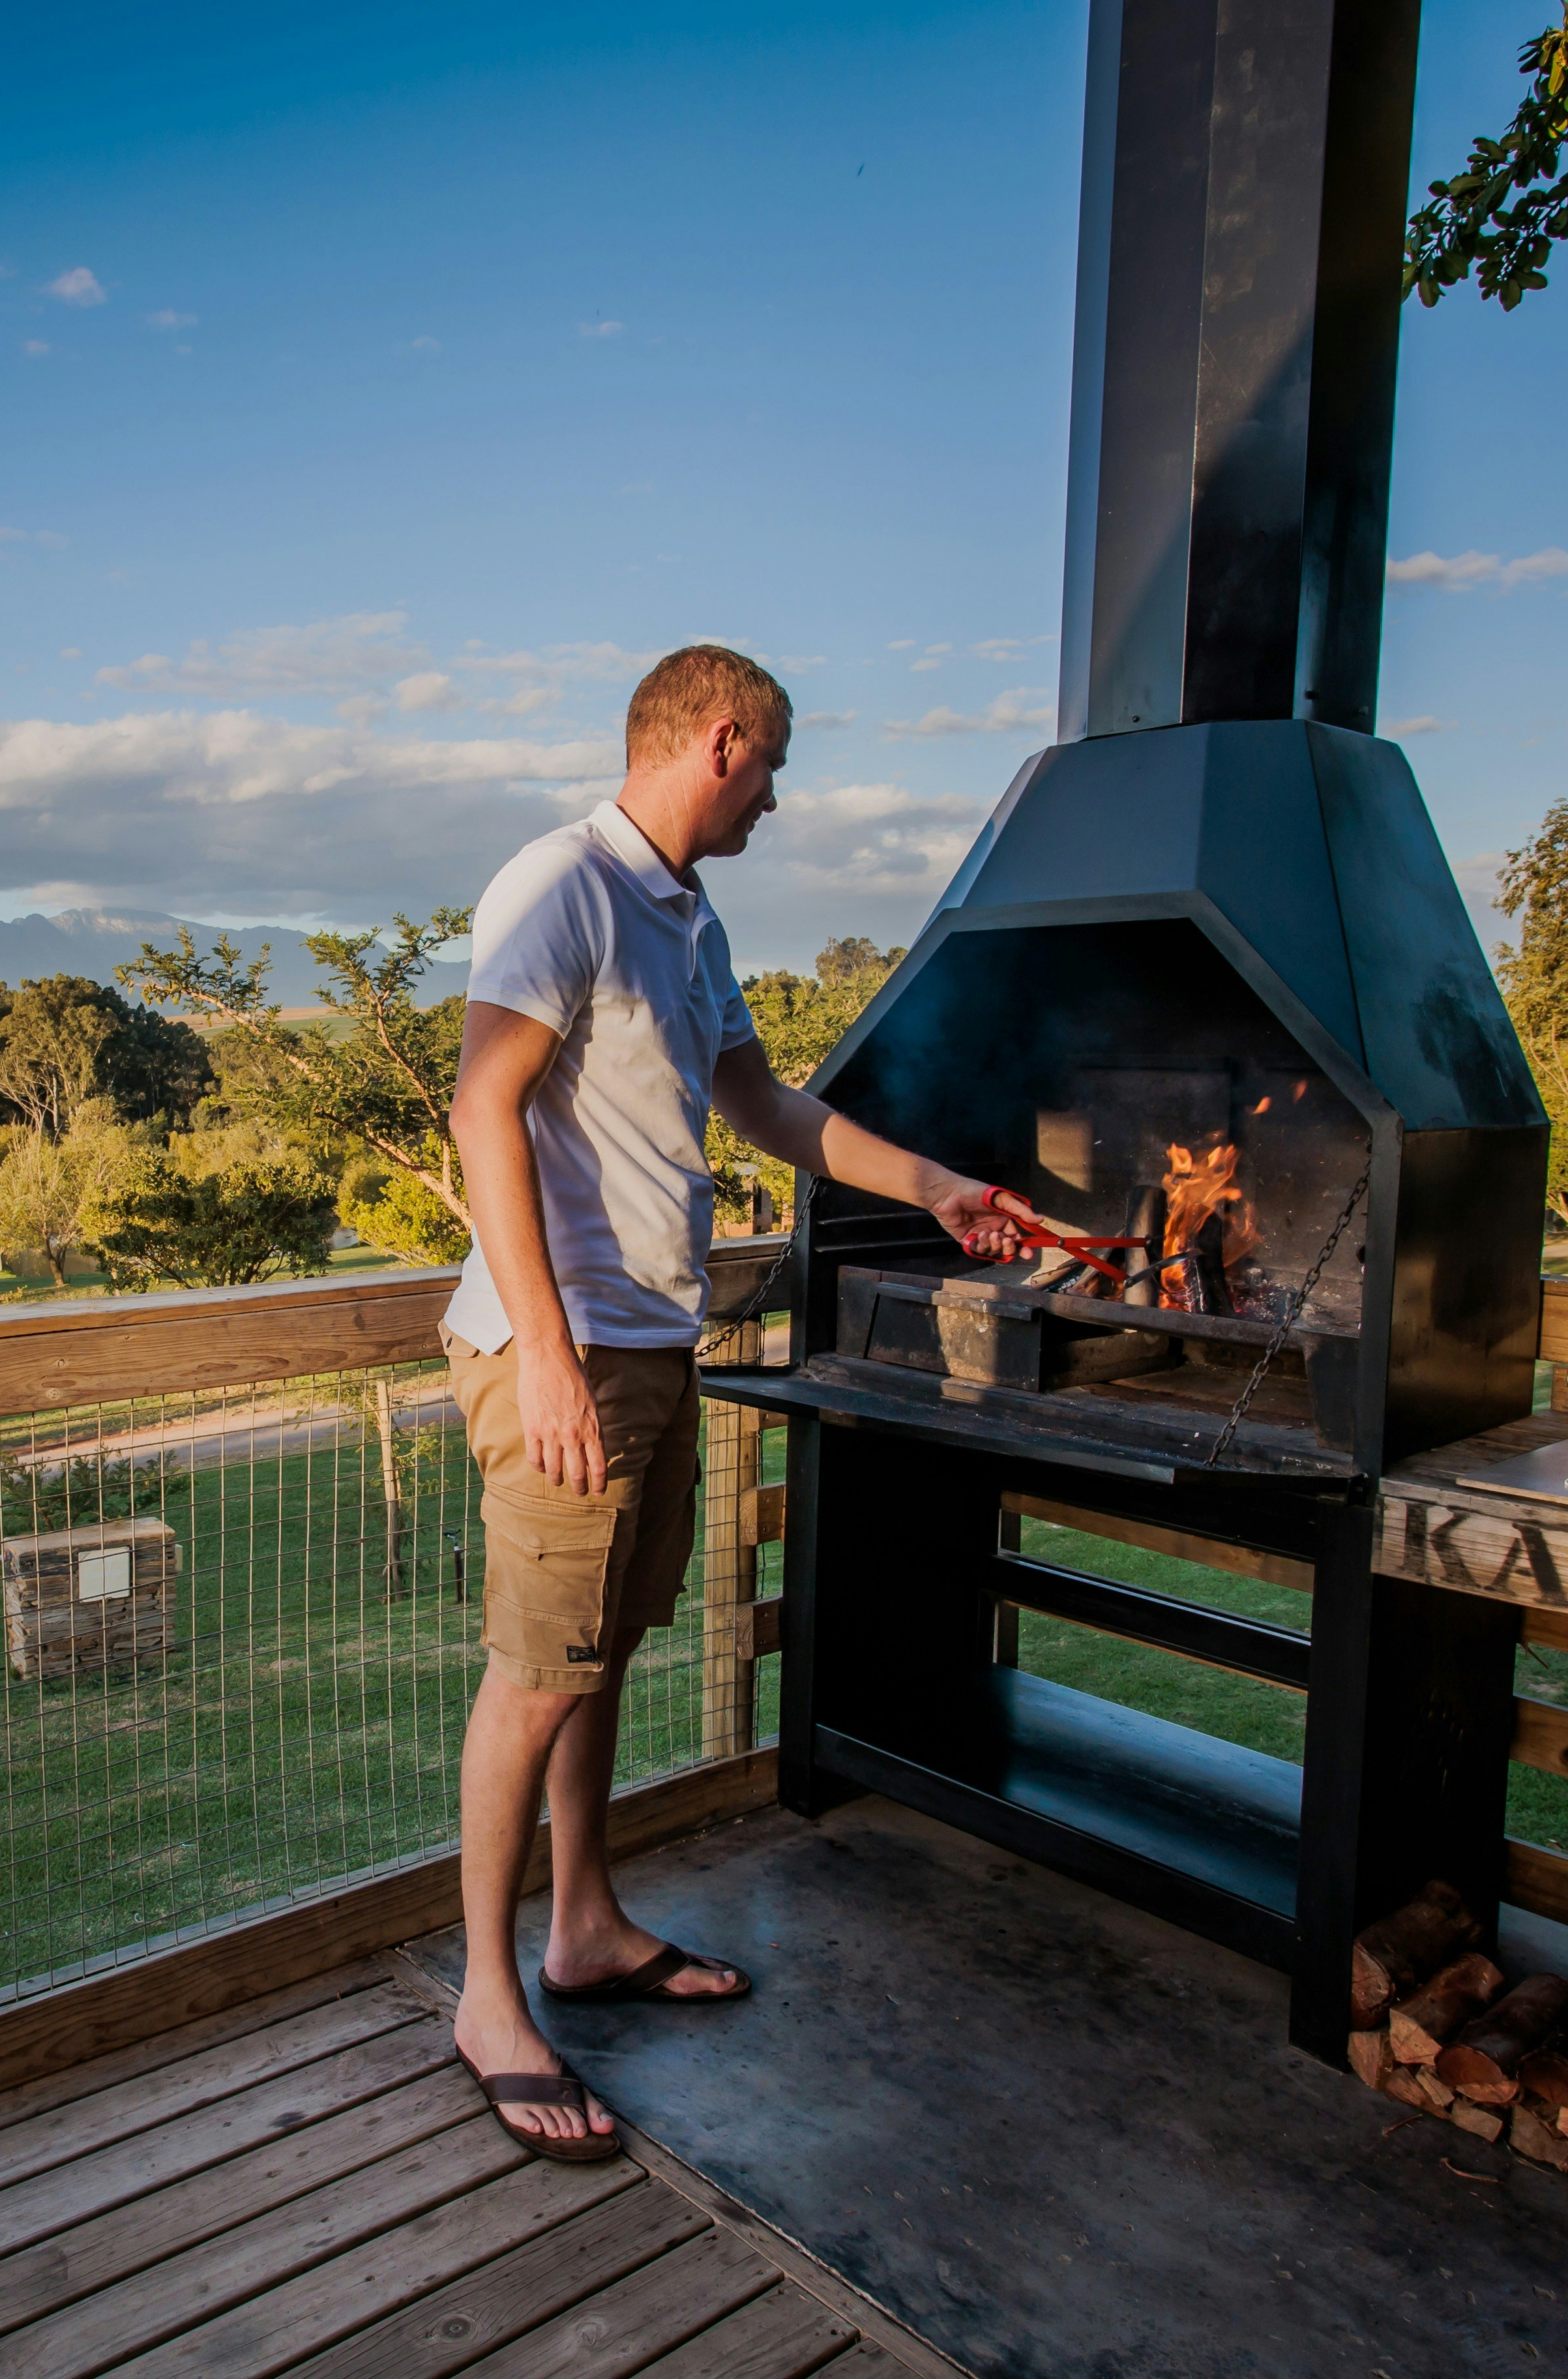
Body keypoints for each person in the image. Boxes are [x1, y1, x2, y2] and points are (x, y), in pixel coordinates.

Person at [441, 643, 1037, 2157]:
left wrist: (940, 1187)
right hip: (563, 1351)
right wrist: (549, 1353)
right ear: (721, 741)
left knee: (597, 1654)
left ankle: (583, 1928)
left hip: (649, 1344)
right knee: (535, 1671)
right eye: (772, 771)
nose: (775, 801)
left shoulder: (689, 918)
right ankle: (487, 2001)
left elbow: (763, 1104)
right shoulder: (562, 885)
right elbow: (481, 1111)